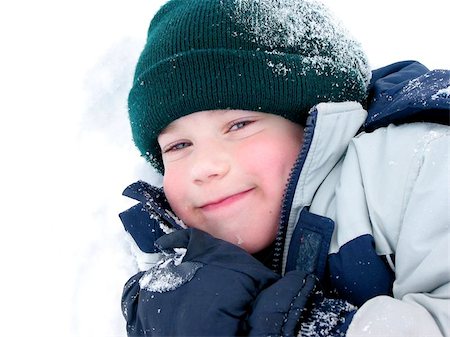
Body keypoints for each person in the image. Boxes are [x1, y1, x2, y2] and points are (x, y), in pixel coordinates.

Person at [119, 0, 450, 336]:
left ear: (311, 120)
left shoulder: (417, 163)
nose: (204, 167)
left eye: (239, 125)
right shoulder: (171, 256)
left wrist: (303, 328)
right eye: (179, 146)